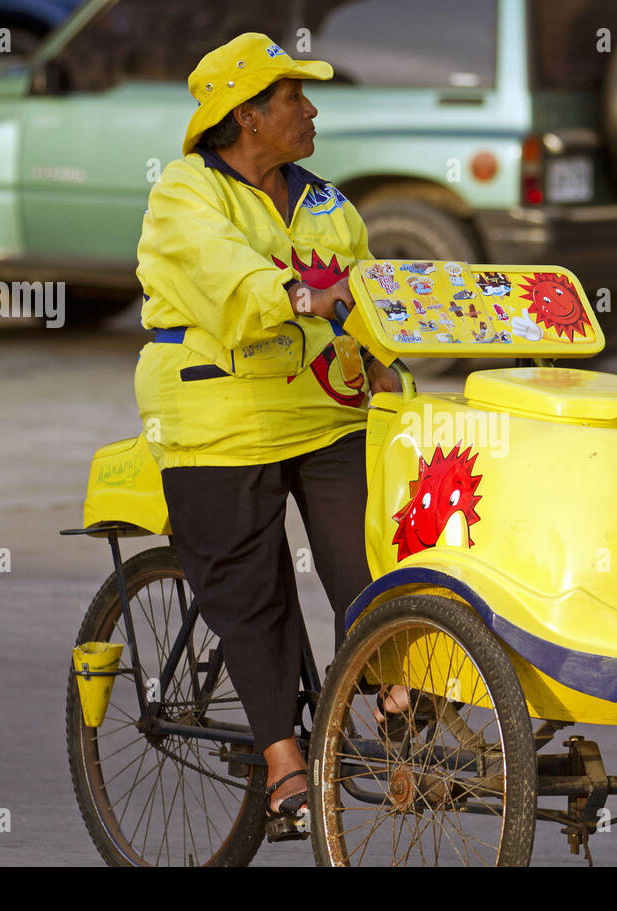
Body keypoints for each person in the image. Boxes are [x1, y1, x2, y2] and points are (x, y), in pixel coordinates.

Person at [133, 33, 407, 842]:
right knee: (254, 595)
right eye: (296, 99)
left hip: (322, 406)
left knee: (376, 554)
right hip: (219, 413)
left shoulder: (325, 200)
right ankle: (282, 755)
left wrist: (386, 362)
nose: (313, 109)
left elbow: (364, 290)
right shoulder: (186, 193)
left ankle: (389, 691)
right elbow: (222, 272)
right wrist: (294, 292)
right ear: (247, 116)